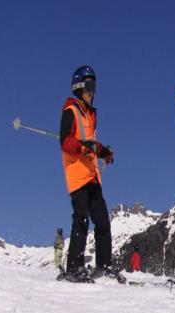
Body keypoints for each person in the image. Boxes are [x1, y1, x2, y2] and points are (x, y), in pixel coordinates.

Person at [59, 65, 117, 283]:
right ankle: (74, 267)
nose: (93, 91)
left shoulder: (90, 115)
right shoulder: (71, 110)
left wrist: (104, 153)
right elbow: (65, 141)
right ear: (79, 86)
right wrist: (81, 146)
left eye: (95, 86)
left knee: (102, 221)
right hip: (77, 175)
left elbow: (91, 143)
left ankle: (103, 267)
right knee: (82, 218)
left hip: (92, 175)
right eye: (90, 86)